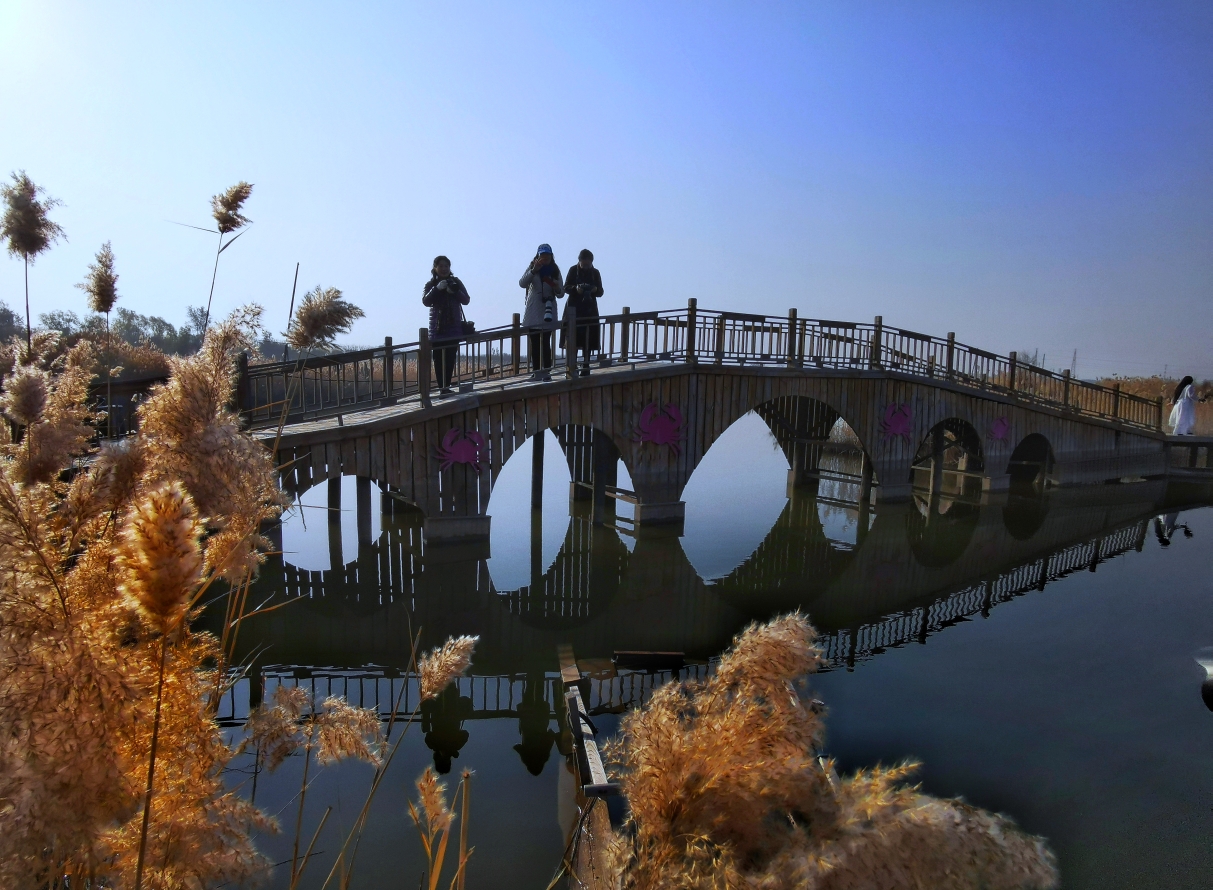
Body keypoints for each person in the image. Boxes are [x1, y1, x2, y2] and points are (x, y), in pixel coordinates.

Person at [422, 256, 470, 395]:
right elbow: (426, 301)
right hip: (437, 328)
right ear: (435, 268)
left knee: (450, 358)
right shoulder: (431, 284)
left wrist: (454, 291)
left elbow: (466, 300)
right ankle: (442, 388)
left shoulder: (455, 282)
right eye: (441, 266)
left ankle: (446, 386)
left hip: (453, 327)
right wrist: (437, 289)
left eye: (446, 266)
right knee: (438, 359)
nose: (444, 269)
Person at [519, 243, 563, 380]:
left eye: (547, 255)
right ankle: (536, 372)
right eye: (542, 255)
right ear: (538, 256)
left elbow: (561, 293)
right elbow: (522, 283)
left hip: (547, 311)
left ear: (551, 256)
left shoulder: (555, 270)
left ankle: (547, 372)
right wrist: (533, 270)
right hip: (533, 310)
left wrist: (556, 286)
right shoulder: (533, 267)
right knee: (534, 342)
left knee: (545, 342)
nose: (545, 258)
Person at [561, 248, 603, 377]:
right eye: (583, 263)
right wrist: (576, 289)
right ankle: (571, 366)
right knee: (572, 338)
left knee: (588, 339)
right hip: (574, 310)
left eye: (588, 263)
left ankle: (586, 365)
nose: (585, 266)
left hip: (590, 311)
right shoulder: (573, 270)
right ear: (579, 261)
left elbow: (601, 292)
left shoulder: (595, 273)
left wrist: (594, 289)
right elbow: (566, 287)